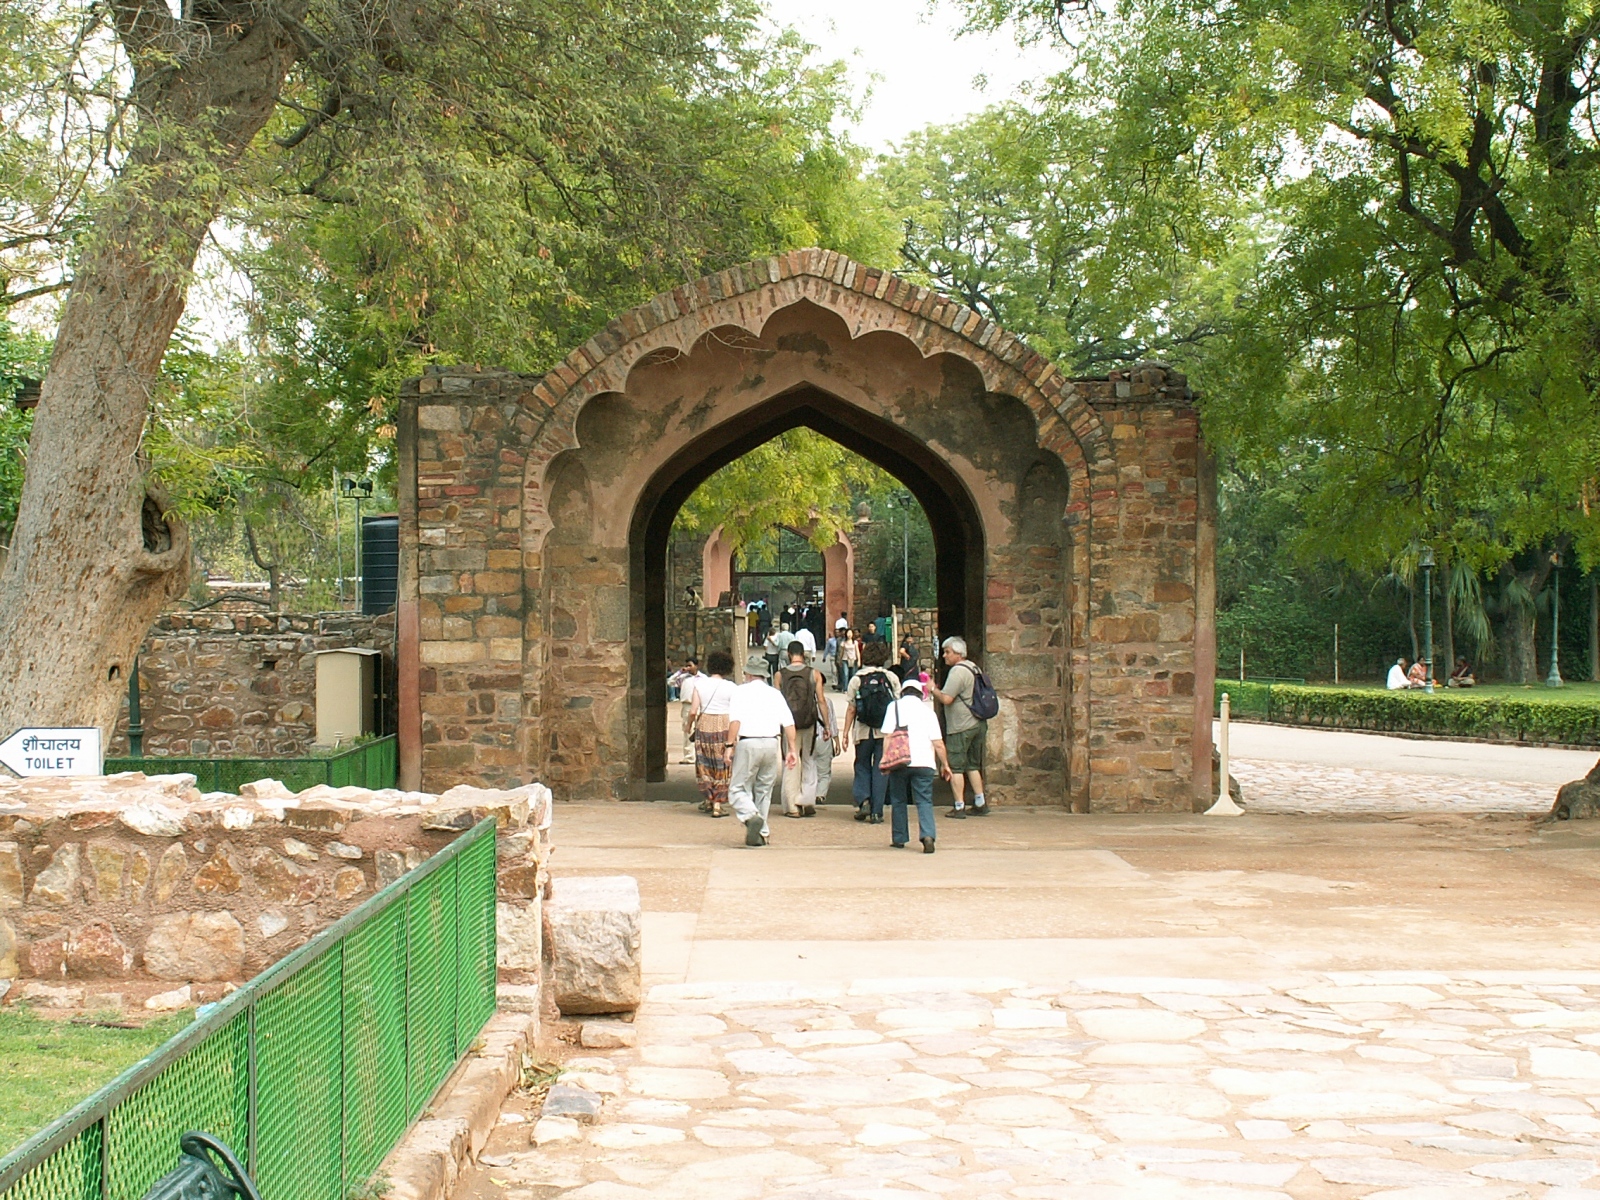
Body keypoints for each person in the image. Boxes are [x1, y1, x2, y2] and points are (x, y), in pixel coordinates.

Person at [726, 655, 799, 847]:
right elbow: (789, 723)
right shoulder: (775, 694)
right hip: (771, 742)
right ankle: (762, 833)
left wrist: (728, 745)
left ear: (748, 673)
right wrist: (792, 749)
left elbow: (735, 721)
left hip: (748, 742)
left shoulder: (740, 692)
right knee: (764, 789)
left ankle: (751, 816)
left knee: (738, 788)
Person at [878, 676, 952, 853]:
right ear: (921, 694)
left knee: (898, 800)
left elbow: (887, 736)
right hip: (924, 762)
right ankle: (928, 836)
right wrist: (945, 765)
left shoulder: (894, 707)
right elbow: (938, 742)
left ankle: (899, 837)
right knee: (924, 800)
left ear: (903, 693)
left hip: (901, 761)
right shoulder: (928, 712)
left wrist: (884, 759)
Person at [929, 636, 990, 818]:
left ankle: (959, 805)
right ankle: (980, 801)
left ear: (958, 653)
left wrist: (932, 689)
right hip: (977, 722)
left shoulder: (957, 672)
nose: (945, 656)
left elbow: (947, 699)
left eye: (947, 652)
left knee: (955, 766)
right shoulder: (974, 667)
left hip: (960, 725)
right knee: (972, 764)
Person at [842, 640, 898, 824]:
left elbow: (851, 708)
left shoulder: (857, 679)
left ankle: (863, 800)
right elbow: (897, 705)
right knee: (881, 769)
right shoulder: (890, 678)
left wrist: (845, 733)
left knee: (862, 765)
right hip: (885, 731)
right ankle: (877, 811)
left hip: (863, 731)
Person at [777, 641, 830, 818]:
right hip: (808, 723)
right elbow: (821, 700)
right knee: (808, 760)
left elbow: (777, 701)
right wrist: (827, 725)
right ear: (803, 654)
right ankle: (807, 801)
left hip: (788, 724)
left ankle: (792, 806)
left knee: (791, 761)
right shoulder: (814, 674)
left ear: (789, 654)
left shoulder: (780, 675)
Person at [687, 651, 736, 816]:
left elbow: (693, 711)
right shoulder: (732, 687)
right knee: (722, 764)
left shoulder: (700, 684)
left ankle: (708, 798)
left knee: (704, 763)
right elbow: (736, 713)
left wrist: (688, 726)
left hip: (704, 724)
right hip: (724, 724)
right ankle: (717, 804)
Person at [672, 657, 702, 762]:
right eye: (687, 666)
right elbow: (670, 682)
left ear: (697, 666)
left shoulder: (703, 678)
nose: (688, 668)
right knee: (687, 730)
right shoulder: (683, 677)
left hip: (699, 706)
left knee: (699, 731)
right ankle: (689, 756)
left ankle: (699, 755)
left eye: (690, 665)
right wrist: (680, 672)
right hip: (687, 705)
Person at [837, 627, 860, 692]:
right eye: (848, 633)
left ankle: (852, 688)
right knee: (845, 674)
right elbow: (841, 652)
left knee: (853, 674)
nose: (849, 635)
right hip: (845, 659)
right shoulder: (843, 643)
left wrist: (859, 660)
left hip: (853, 659)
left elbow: (857, 651)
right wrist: (840, 660)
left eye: (850, 633)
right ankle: (845, 688)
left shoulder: (855, 642)